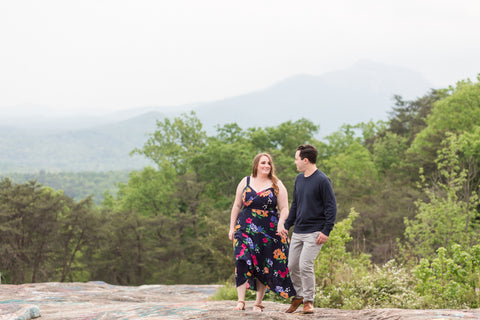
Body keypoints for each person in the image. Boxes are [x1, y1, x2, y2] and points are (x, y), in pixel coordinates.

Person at [229, 153, 296, 312]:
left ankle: (258, 303)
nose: (267, 166)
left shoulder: (276, 184)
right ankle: (241, 300)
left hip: (268, 231)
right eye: (263, 163)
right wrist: (232, 227)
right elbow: (237, 206)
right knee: (241, 259)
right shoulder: (245, 181)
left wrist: (281, 223)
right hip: (244, 228)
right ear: (256, 165)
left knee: (263, 264)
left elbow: (285, 208)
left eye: (269, 163)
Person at [277, 144, 337, 314]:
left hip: (315, 232)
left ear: (305, 160)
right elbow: (295, 205)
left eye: (297, 159)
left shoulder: (322, 180)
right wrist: (287, 225)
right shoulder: (299, 179)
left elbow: (331, 207)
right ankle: (300, 296)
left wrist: (326, 231)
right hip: (298, 231)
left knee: (305, 265)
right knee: (292, 265)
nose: (295, 162)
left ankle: (309, 301)